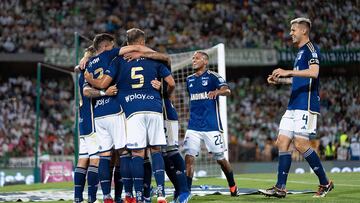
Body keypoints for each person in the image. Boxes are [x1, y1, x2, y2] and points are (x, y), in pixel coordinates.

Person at [259, 17, 334, 198]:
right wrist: (281, 80)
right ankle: (280, 187)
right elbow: (298, 79)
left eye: (293, 30)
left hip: (305, 103)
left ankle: (325, 183)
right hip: (293, 103)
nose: (290, 33)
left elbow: (314, 73)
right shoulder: (300, 52)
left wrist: (288, 71)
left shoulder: (311, 49)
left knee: (300, 144)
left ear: (303, 31)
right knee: (282, 142)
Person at [109, 28, 175, 203]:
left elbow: (109, 82)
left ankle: (138, 196)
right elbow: (171, 82)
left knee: (137, 154)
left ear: (127, 43)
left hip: (133, 111)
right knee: (156, 150)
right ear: (143, 42)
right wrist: (164, 93)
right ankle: (161, 194)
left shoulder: (119, 61)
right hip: (154, 108)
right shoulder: (156, 60)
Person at [183, 51, 239, 197]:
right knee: (189, 157)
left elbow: (227, 90)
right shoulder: (189, 80)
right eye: (193, 58)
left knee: (220, 159)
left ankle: (232, 185)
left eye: (197, 58)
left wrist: (217, 92)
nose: (193, 60)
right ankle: (186, 192)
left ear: (205, 61)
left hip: (212, 126)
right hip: (193, 126)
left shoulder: (213, 76)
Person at [74, 46, 117, 203]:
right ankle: (91, 198)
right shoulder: (89, 72)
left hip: (82, 121)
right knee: (95, 159)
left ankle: (77, 198)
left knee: (82, 159)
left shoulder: (81, 73)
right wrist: (105, 93)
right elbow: (88, 92)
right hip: (92, 120)